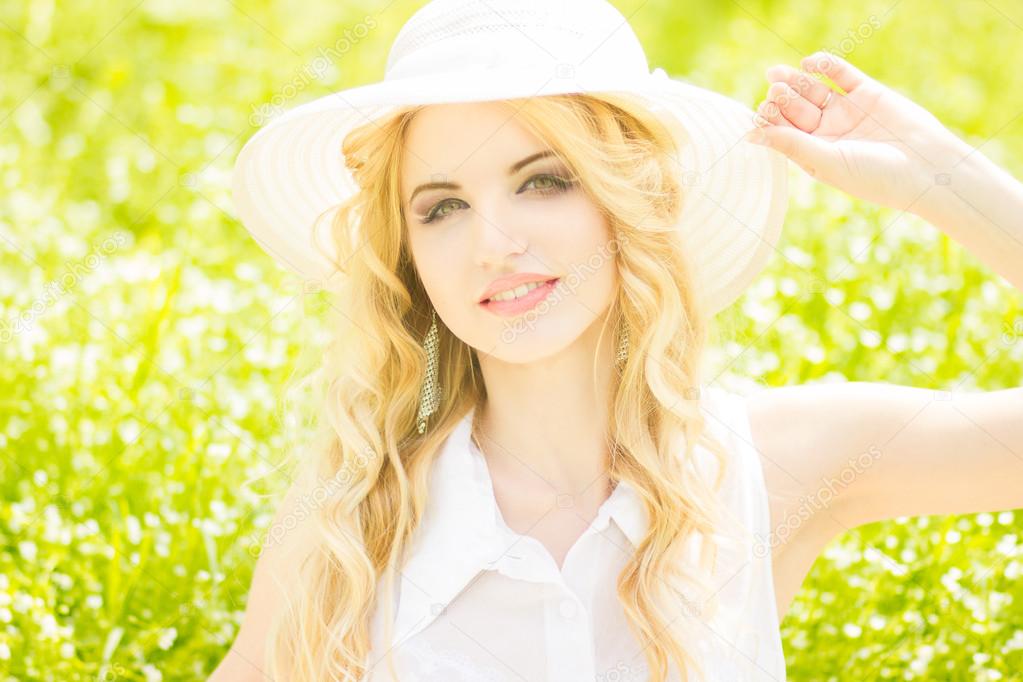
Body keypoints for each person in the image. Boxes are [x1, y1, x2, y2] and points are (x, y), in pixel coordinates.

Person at [212, 1, 1023, 680]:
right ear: (408, 255)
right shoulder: (352, 524)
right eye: (441, 206)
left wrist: (943, 180)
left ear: (627, 202)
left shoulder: (770, 465)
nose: (492, 242)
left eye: (543, 181)